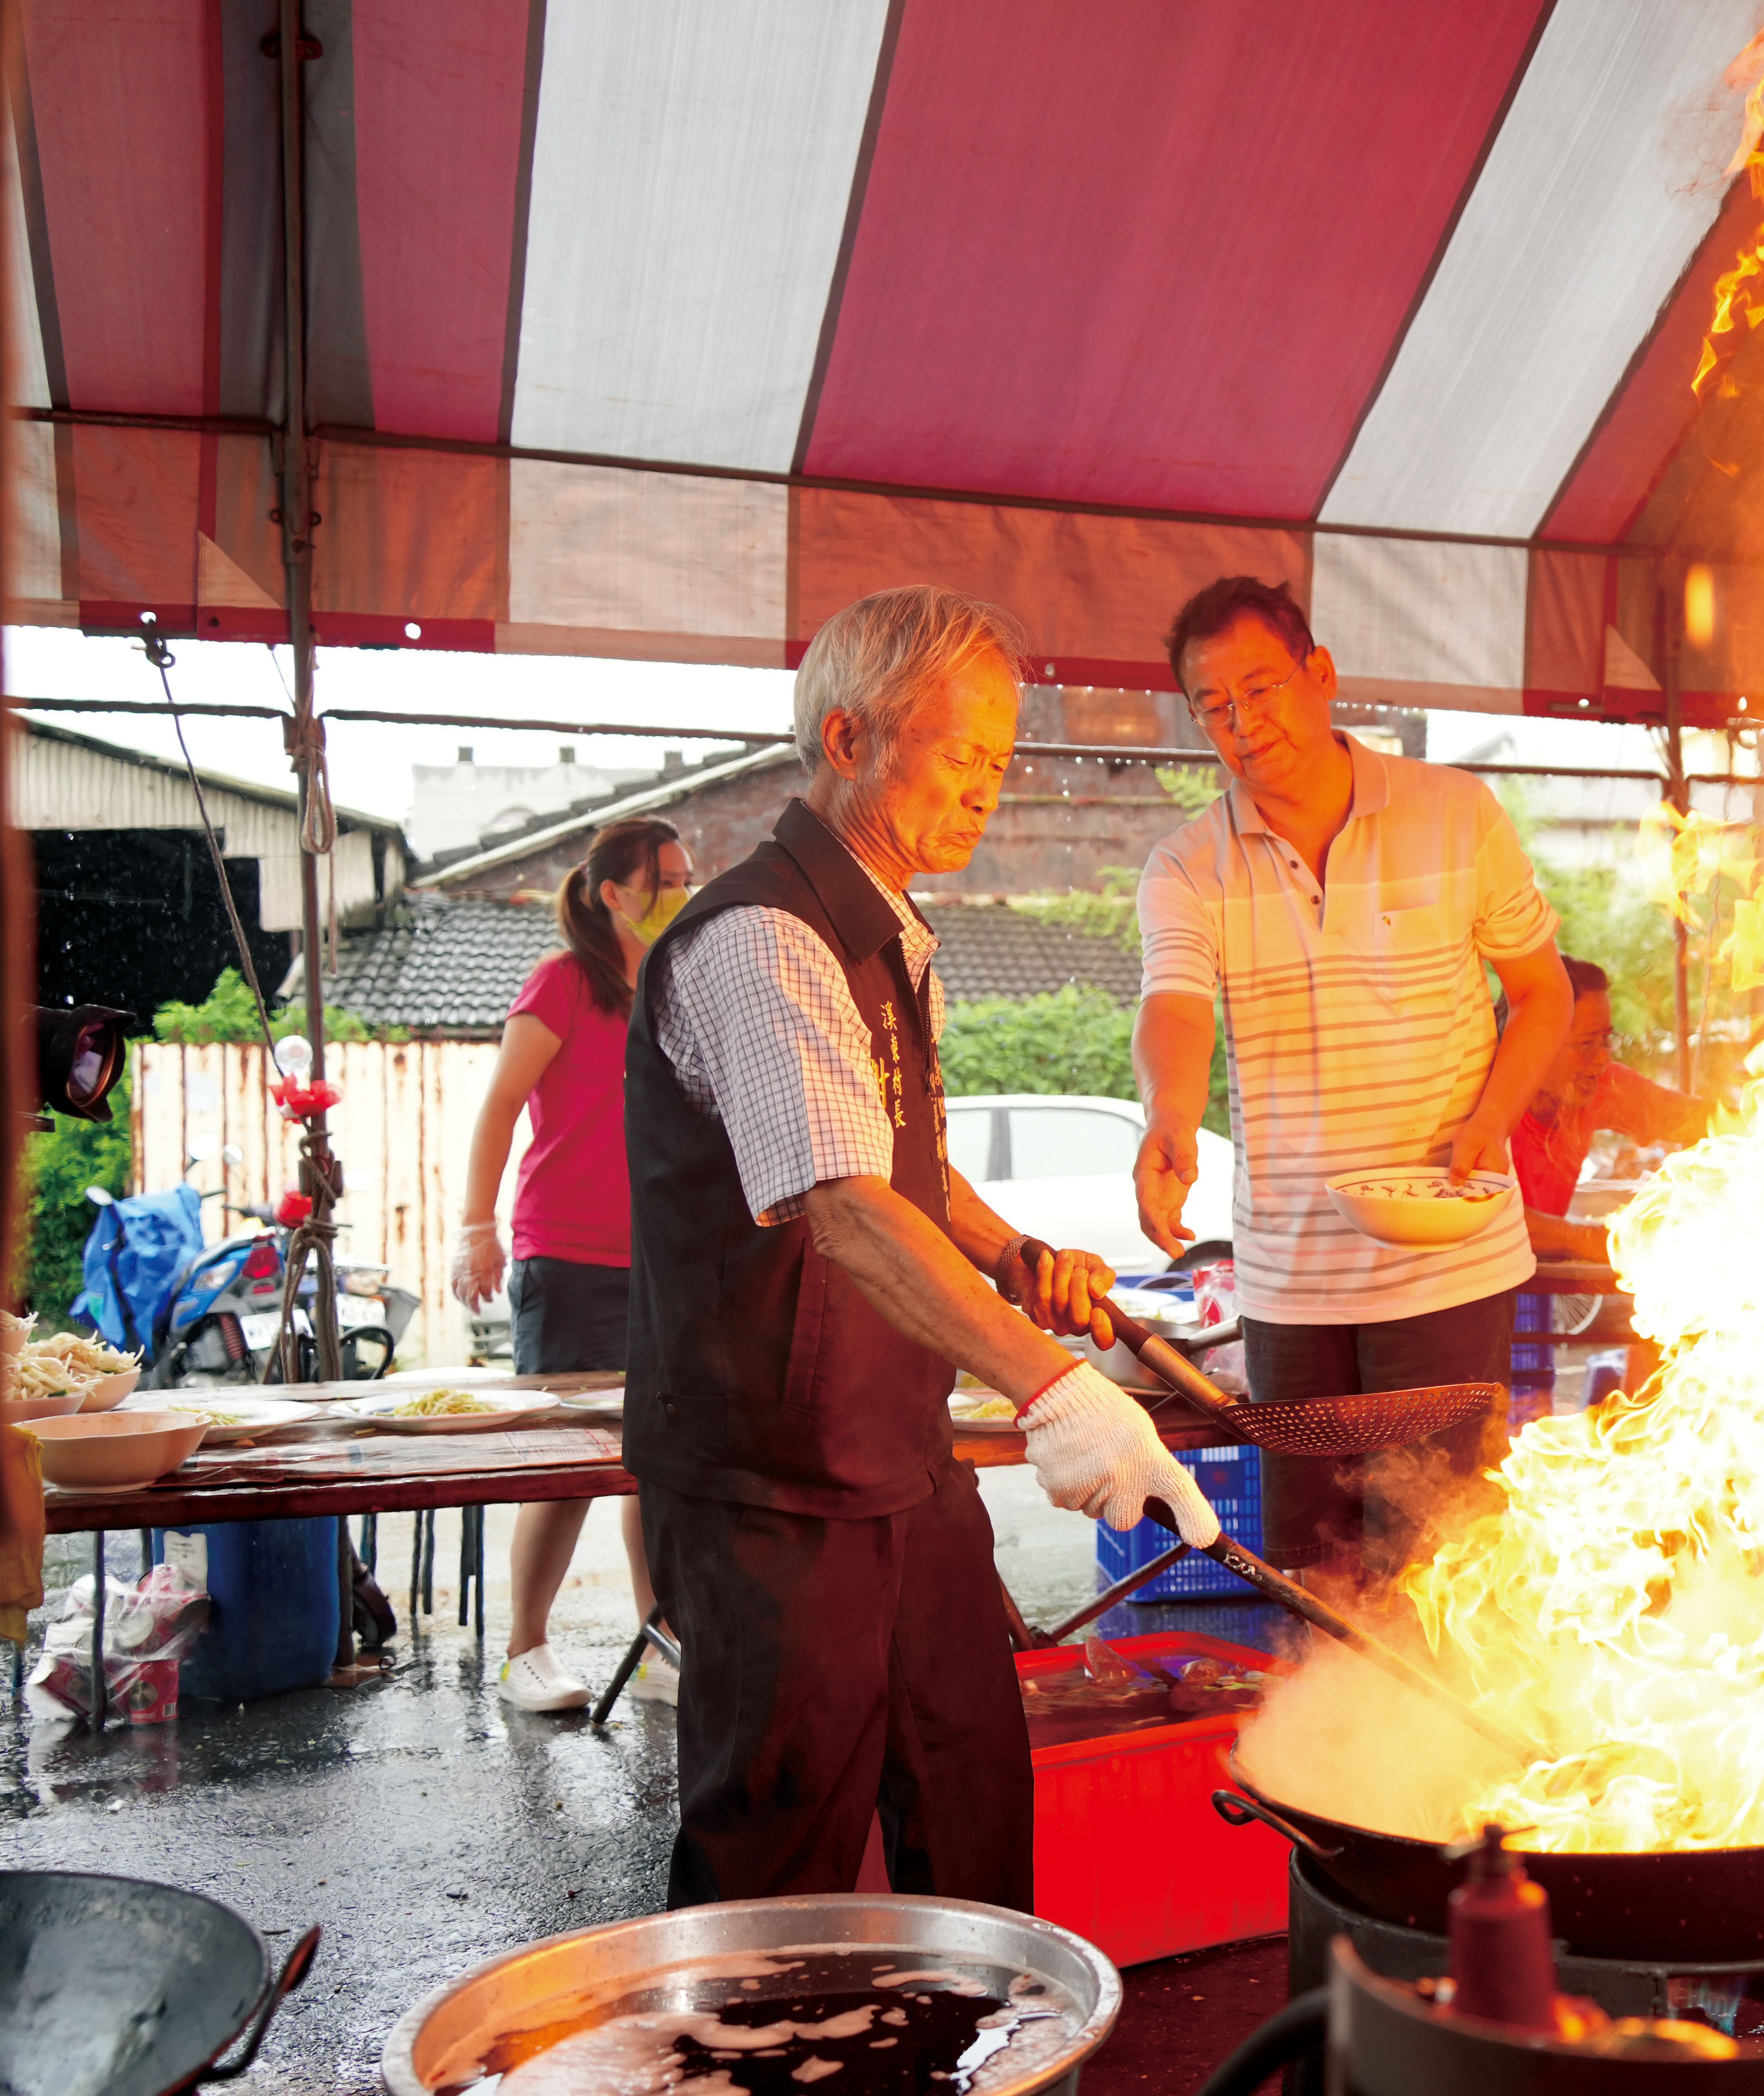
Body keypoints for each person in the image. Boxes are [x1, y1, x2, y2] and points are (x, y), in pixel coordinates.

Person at [625, 584, 1218, 1908]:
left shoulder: (892, 937)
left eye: (1001, 761)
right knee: (776, 1855)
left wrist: (1009, 1253)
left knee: (967, 1790)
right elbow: (840, 1200)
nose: (986, 790)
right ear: (847, 741)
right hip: (772, 1484)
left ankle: (976, 2061)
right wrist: (1052, 1388)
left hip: (897, 1455)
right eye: (962, 754)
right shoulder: (758, 936)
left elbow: (898, 1155)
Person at [1132, 576, 1572, 1575]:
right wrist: (1170, 1114)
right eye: (1215, 704)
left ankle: (1439, 1739)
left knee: (1437, 1560)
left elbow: (1543, 994)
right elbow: (1176, 1003)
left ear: (1319, 674)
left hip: (1451, 1257)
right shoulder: (1190, 863)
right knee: (1314, 1568)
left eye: (1261, 686)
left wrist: (1492, 1117)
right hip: (1294, 1276)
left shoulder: (1456, 814)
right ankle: (1317, 1740)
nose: (1244, 722)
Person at [450, 816, 692, 1713]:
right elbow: (501, 1106)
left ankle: (662, 1640)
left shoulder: (673, 987)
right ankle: (526, 1650)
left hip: (659, 1260)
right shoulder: (562, 982)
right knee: (565, 1464)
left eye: (688, 874)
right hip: (567, 1256)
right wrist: (476, 1226)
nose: (682, 889)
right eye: (665, 876)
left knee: (658, 1461)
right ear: (613, 892)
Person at [1509, 956, 1707, 1265]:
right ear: (1533, 1042)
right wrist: (1589, 1240)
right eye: (1587, 1043)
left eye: (1607, 1039)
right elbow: (1489, 1216)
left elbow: (1691, 1120)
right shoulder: (1484, 1106)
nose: (1602, 1058)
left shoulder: (1601, 1085)